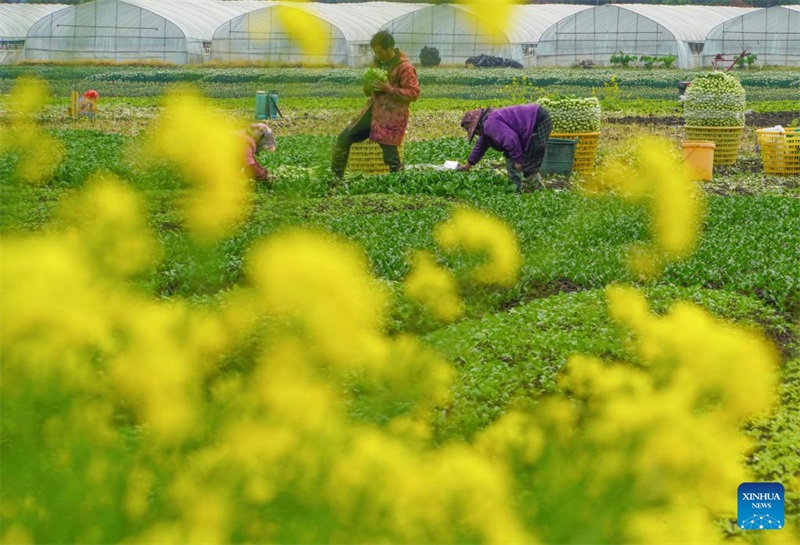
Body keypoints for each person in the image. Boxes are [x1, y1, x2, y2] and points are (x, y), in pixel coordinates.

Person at [331, 30, 420, 179]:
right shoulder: (378, 64)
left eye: (380, 52)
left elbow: (413, 93)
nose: (378, 55)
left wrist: (389, 89)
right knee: (345, 137)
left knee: (389, 154)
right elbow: (368, 91)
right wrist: (368, 84)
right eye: (375, 52)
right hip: (373, 111)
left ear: (390, 48)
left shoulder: (405, 68)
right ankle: (335, 176)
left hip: (391, 116)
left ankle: (399, 181)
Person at [456, 103, 552, 192]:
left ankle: (540, 193)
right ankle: (515, 190)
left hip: (537, 120)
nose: (477, 134)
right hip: (531, 123)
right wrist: (468, 165)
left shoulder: (490, 124)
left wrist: (518, 160)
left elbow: (511, 139)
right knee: (511, 161)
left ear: (477, 126)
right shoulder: (487, 125)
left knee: (529, 166)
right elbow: (480, 147)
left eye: (475, 132)